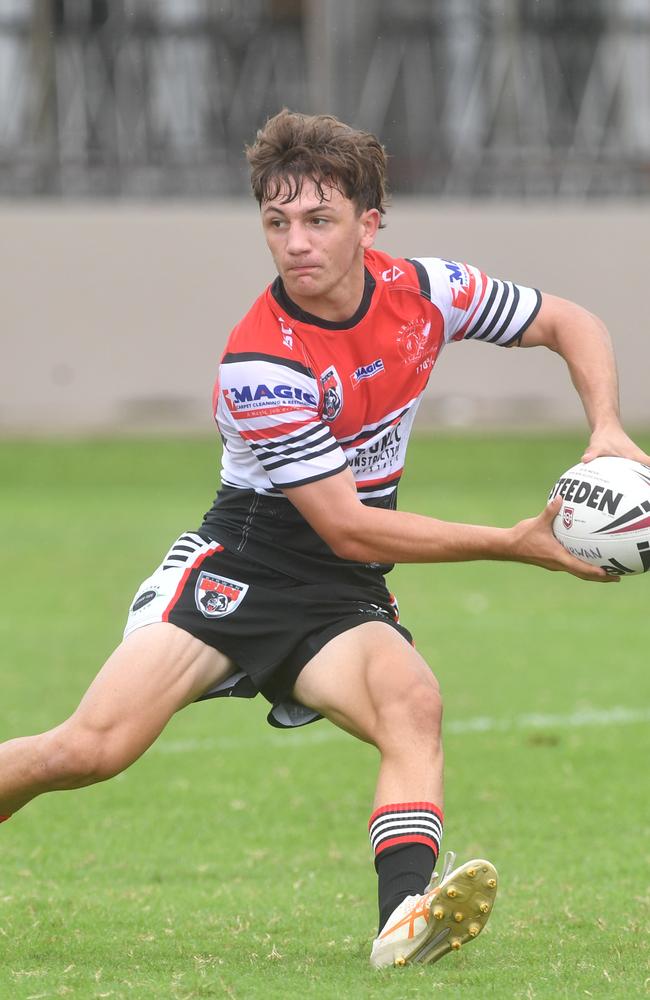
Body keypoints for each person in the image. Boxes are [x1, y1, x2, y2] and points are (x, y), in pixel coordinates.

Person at [2, 110, 649, 971]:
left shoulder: (428, 292)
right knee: (90, 750)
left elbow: (571, 321)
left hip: (339, 592)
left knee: (412, 705)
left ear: (369, 222)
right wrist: (515, 540)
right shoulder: (262, 361)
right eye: (277, 223)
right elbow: (345, 524)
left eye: (319, 220)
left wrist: (606, 426)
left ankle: (402, 923)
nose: (296, 243)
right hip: (243, 566)